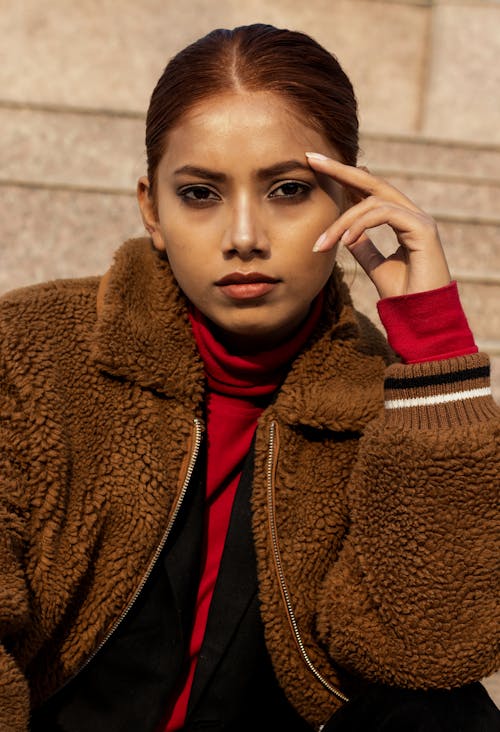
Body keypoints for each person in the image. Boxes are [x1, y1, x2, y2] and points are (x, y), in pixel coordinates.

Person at [0, 23, 498, 732]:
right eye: (201, 193)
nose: (243, 235)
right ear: (153, 210)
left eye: (289, 190)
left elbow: (431, 655)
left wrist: (436, 351)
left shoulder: (387, 393)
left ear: (350, 203)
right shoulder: (31, 350)